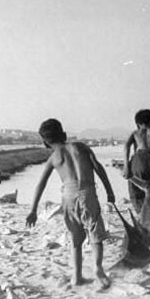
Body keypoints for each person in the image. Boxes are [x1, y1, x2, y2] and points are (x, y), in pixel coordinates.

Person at [26, 119, 115, 289]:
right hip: (87, 193)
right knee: (95, 234)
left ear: (45, 142)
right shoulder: (80, 147)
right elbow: (98, 167)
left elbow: (41, 184)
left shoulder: (53, 158)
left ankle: (76, 275)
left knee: (76, 239)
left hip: (67, 197)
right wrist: (110, 191)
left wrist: (33, 210)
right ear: (64, 134)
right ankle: (97, 269)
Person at [123, 109, 150, 214]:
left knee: (136, 190)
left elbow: (126, 147)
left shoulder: (135, 133)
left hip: (138, 161)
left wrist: (126, 166)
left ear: (138, 123)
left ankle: (141, 212)